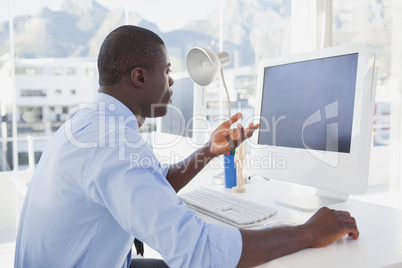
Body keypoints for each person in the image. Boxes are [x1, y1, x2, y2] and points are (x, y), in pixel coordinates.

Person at [14, 25, 359, 268]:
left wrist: (208, 152)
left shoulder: (92, 122)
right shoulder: (112, 143)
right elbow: (200, 254)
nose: (172, 81)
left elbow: (149, 187)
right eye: (167, 71)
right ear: (139, 77)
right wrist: (309, 232)